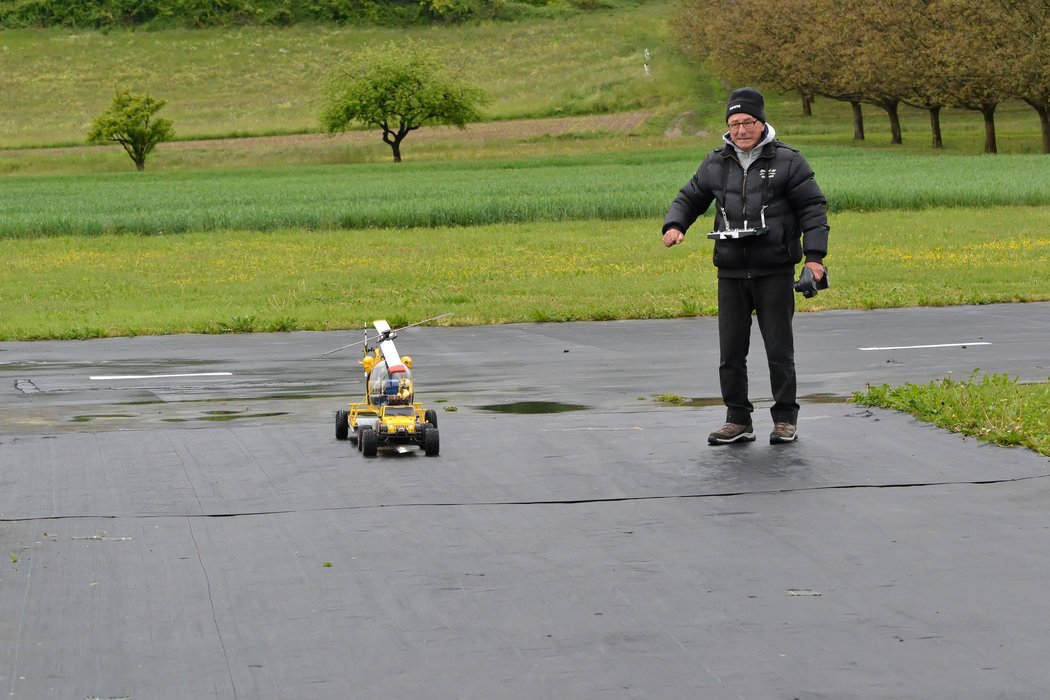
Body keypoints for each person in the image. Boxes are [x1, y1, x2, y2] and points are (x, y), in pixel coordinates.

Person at [661, 87, 829, 445]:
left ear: (761, 121)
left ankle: (785, 419)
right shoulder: (715, 162)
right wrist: (675, 225)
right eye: (734, 123)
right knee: (731, 352)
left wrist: (815, 258)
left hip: (774, 270)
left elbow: (813, 209)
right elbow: (689, 197)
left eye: (747, 122)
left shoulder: (789, 161)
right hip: (731, 270)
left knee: (779, 352)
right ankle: (737, 419)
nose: (740, 130)